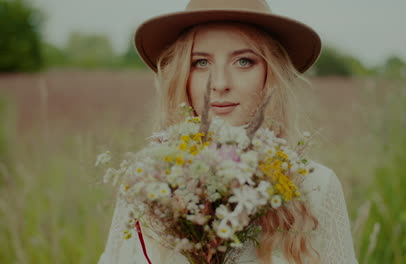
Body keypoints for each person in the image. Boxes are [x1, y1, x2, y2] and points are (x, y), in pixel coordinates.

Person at [98, 0, 358, 263]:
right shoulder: (147, 182)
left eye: (244, 61)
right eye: (201, 63)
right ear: (182, 76)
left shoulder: (316, 187)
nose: (220, 83)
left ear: (271, 75)